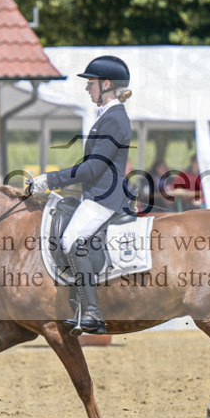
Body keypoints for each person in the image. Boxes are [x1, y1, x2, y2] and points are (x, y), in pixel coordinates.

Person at [28, 55, 132, 335]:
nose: (88, 88)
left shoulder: (113, 119)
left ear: (106, 84)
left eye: (92, 83)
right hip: (98, 194)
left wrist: (51, 179)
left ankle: (93, 313)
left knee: (71, 239)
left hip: (104, 198)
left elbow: (94, 167)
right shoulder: (107, 117)